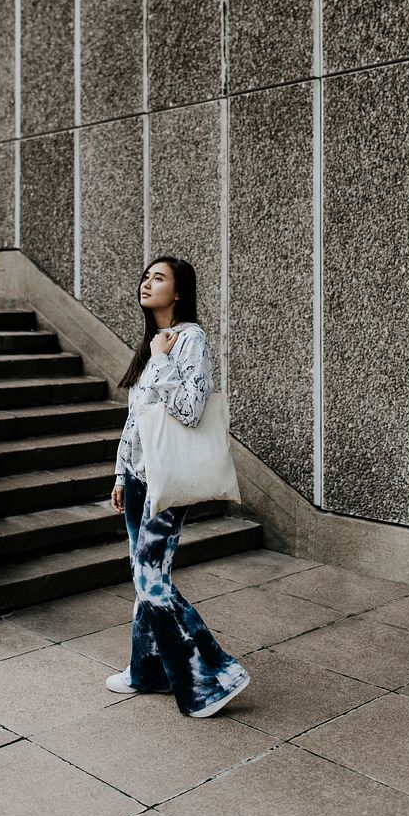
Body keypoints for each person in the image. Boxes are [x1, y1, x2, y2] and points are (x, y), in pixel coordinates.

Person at [107, 255, 251, 717]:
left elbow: (190, 409)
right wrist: (118, 473)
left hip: (165, 479)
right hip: (136, 477)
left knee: (151, 580)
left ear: (179, 292)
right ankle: (145, 671)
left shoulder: (189, 339)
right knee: (143, 577)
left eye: (159, 277)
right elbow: (137, 420)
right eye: (145, 275)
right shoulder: (155, 343)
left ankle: (215, 675)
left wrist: (163, 361)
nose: (147, 282)